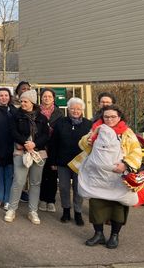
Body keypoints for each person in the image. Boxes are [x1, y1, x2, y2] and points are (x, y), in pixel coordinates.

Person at [78, 105, 142, 249]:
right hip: (97, 177)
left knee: (117, 207)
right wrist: (89, 139)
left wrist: (125, 165)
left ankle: (114, 235)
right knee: (96, 206)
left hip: (117, 177)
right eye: (106, 117)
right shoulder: (96, 129)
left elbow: (136, 152)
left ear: (119, 117)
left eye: (113, 117)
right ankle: (98, 234)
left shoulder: (127, 133)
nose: (109, 119)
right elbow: (82, 144)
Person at [4, 89, 50, 225]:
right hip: (21, 152)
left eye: (25, 101)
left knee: (35, 183)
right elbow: (13, 132)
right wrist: (26, 144)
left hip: (38, 154)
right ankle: (12, 209)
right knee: (18, 181)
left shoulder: (42, 118)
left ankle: (33, 211)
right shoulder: (16, 116)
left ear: (32, 102)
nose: (22, 103)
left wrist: (34, 143)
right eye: (21, 101)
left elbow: (46, 135)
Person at [48, 97, 91, 226]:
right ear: (68, 109)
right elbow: (54, 143)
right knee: (64, 187)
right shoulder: (61, 123)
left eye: (78, 108)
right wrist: (53, 161)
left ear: (82, 110)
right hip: (63, 162)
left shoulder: (89, 125)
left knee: (78, 188)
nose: (75, 111)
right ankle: (66, 210)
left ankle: (78, 212)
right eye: (72, 108)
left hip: (81, 163)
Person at [38, 88, 64, 213]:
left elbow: (61, 130)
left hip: (54, 147)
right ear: (41, 98)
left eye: (49, 96)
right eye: (44, 96)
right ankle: (42, 199)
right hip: (40, 146)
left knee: (53, 174)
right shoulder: (36, 111)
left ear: (53, 98)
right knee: (41, 174)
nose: (47, 98)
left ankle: (51, 200)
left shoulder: (59, 113)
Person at [12, 80, 32, 204]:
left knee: (26, 169)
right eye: (23, 89)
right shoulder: (12, 106)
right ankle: (14, 196)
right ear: (17, 91)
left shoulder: (33, 107)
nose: (25, 91)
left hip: (29, 145)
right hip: (14, 143)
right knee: (15, 172)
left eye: (28, 89)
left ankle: (23, 192)